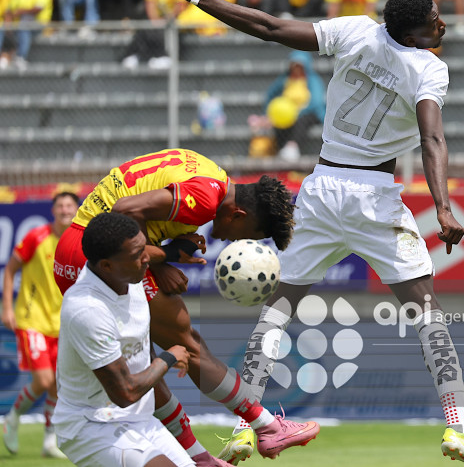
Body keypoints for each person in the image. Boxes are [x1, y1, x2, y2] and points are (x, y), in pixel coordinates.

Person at [152, 0, 464, 467]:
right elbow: (432, 138)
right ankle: (456, 428)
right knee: (427, 313)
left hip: (322, 189)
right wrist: (442, 208)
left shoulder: (356, 30)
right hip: (375, 197)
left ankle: (247, 426)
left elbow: (270, 28)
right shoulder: (430, 68)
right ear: (412, 34)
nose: (441, 25)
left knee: (277, 310)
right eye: (433, 22)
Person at [53, 149, 311, 466]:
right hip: (95, 251)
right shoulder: (205, 198)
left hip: (80, 247)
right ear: (238, 215)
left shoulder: (212, 173)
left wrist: (163, 254)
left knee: (144, 358)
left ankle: (198, 455)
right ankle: (267, 426)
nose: (235, 242)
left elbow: (136, 202)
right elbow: (124, 209)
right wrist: (160, 261)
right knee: (187, 343)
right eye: (245, 236)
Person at [52, 212, 194, 467]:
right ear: (107, 265)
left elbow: (140, 348)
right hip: (91, 425)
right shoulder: (87, 309)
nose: (147, 258)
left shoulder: (129, 275)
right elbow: (125, 392)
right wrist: (169, 357)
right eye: (137, 254)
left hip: (140, 420)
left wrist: (176, 252)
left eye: (144, 247)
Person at [1, 191, 79, 458]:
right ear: (53, 210)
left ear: (76, 210)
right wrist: (7, 307)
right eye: (60, 205)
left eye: (69, 205)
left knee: (57, 384)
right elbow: (10, 269)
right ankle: (13, 417)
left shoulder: (79, 242)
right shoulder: (36, 237)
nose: (65, 210)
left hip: (63, 324)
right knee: (44, 379)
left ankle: (49, 441)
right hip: (32, 319)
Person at [0, 0, 52, 69]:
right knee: (2, 28)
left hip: (37, 24)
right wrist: (8, 22)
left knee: (24, 24)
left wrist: (20, 11)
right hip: (16, 25)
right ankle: (4, 56)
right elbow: (8, 10)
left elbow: (38, 8)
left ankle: (20, 57)